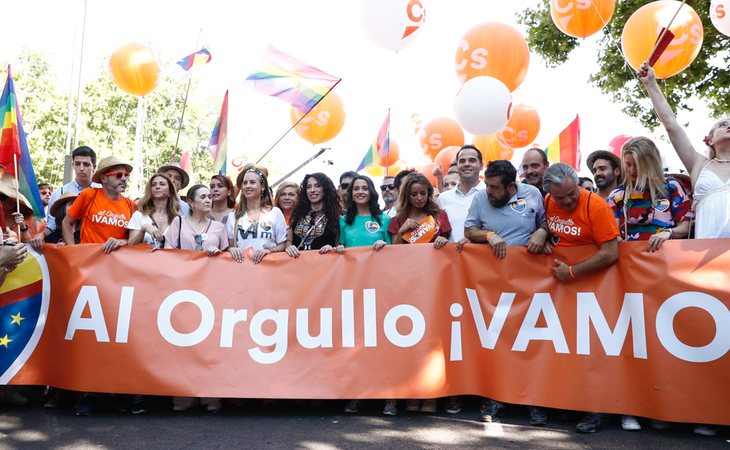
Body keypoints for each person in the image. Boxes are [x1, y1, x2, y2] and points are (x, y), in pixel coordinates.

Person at [531, 162, 619, 433]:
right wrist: (544, 231)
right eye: (561, 198)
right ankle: (565, 403)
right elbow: (549, 221)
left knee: (593, 348)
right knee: (563, 348)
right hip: (561, 287)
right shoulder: (548, 200)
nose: (568, 201)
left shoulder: (597, 207)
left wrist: (572, 271)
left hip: (593, 286)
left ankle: (596, 410)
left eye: (572, 194)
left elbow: (611, 252)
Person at [463, 160, 548, 425]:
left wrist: (542, 233)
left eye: (494, 187)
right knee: (497, 342)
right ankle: (495, 399)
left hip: (531, 283)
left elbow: (546, 222)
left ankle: (534, 401)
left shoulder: (533, 194)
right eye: (486, 185)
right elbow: (469, 229)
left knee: (532, 343)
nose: (488, 191)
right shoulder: (479, 198)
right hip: (494, 285)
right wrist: (488, 235)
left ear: (511, 186)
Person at [639, 61, 730, 244]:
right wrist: (651, 84)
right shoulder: (699, 164)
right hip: (709, 252)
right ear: (710, 140)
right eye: (723, 124)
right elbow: (672, 126)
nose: (729, 126)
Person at [388, 172, 450, 413]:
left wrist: (444, 243)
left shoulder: (438, 216)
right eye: (414, 194)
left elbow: (448, 245)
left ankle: (432, 396)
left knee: (433, 340)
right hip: (407, 285)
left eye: (423, 193)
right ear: (406, 194)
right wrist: (401, 230)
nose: (419, 198)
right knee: (410, 338)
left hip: (434, 284)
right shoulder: (399, 218)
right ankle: (413, 392)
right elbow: (393, 253)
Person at [339, 175, 392, 415]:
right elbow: (338, 252)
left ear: (371, 192)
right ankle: (358, 394)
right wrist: (337, 249)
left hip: (380, 289)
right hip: (354, 290)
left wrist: (385, 248)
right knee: (357, 345)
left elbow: (398, 254)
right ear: (350, 194)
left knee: (384, 344)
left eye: (364, 188)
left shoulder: (383, 219)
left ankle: (391, 397)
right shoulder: (343, 222)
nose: (360, 192)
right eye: (355, 189)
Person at [607, 137, 692, 256]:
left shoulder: (672, 186)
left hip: (667, 259)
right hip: (630, 261)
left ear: (651, 163)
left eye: (637, 165)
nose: (632, 170)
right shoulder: (617, 195)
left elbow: (686, 226)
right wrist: (617, 240)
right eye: (628, 164)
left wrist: (668, 232)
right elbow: (612, 232)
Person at [63, 156, 136, 254]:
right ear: (103, 178)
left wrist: (122, 242)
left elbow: (134, 239)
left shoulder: (131, 205)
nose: (124, 179)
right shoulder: (89, 195)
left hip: (116, 264)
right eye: (119, 175)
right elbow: (66, 223)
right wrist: (72, 251)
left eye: (126, 175)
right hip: (88, 261)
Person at [227, 167, 287, 264]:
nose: (248, 186)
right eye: (245, 183)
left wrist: (268, 251)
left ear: (262, 187)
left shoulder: (275, 212)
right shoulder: (233, 216)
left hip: (269, 269)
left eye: (252, 182)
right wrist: (232, 250)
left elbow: (283, 245)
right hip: (242, 270)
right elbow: (230, 247)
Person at [41, 146, 99, 242]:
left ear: (94, 167)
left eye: (86, 164)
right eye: (77, 164)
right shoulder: (60, 193)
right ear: (73, 166)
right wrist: (41, 236)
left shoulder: (102, 191)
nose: (81, 168)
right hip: (66, 247)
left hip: (95, 245)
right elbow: (52, 224)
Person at [438, 145, 485, 246]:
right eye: (462, 161)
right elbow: (439, 230)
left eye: (472, 160)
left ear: (481, 165)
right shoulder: (443, 198)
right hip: (451, 258)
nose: (467, 164)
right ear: (457, 165)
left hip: (483, 258)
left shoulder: (490, 193)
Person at [286, 173, 342, 257]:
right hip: (296, 266)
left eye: (317, 186)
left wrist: (332, 248)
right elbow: (289, 241)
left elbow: (339, 246)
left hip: (323, 266)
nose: (312, 190)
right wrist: (289, 247)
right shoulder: (297, 213)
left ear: (325, 189)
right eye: (309, 187)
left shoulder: (337, 216)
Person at [164, 184, 228, 257]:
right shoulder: (179, 221)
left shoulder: (219, 226)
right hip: (184, 267)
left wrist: (218, 252)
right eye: (203, 197)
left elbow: (225, 257)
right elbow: (167, 251)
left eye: (209, 197)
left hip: (210, 267)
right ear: (190, 202)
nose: (208, 200)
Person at [127, 173, 180, 247]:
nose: (157, 187)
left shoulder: (177, 219)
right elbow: (130, 245)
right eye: (153, 185)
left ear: (170, 192)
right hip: (142, 258)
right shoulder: (139, 215)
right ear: (150, 191)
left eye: (162, 184)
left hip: (168, 258)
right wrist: (144, 229)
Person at [0, 172, 40, 245]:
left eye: (2, 197)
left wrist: (23, 227)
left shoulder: (27, 219)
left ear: (14, 201)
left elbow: (31, 246)